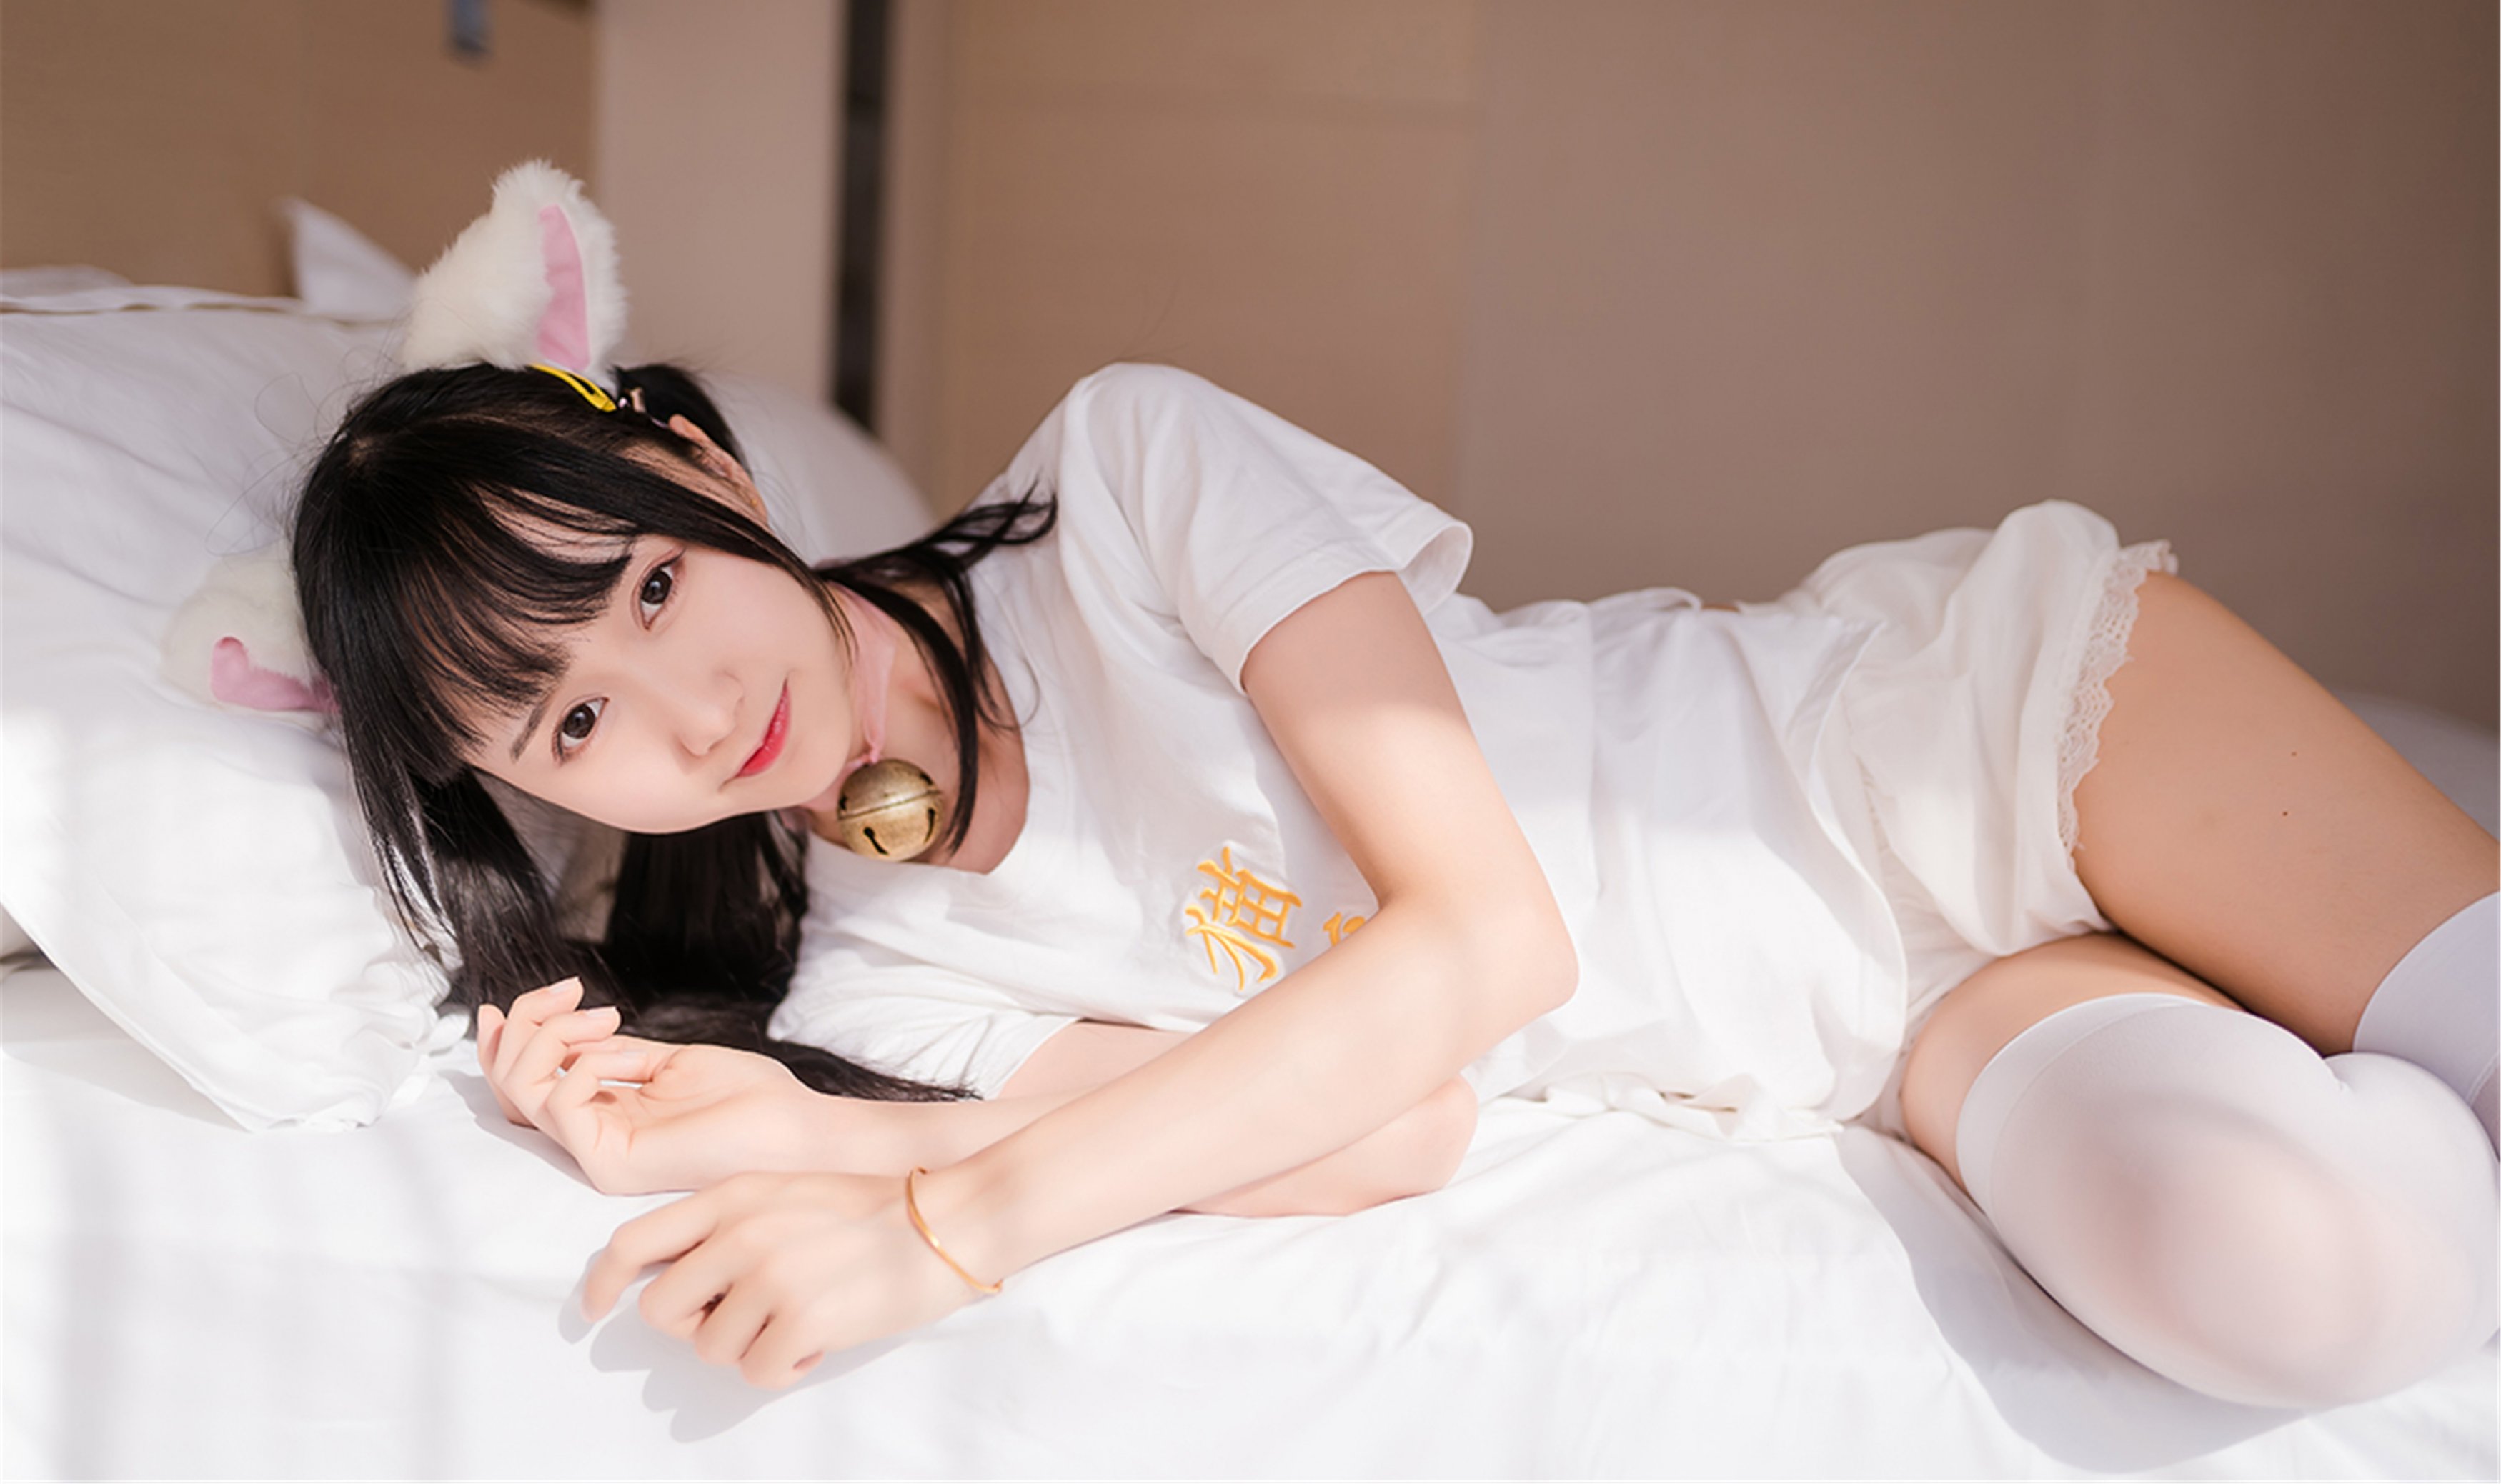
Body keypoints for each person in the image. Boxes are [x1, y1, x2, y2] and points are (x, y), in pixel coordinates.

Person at [293, 166, 2496, 1405]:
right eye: (566, 723)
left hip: (1965, 750)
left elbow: (1487, 943)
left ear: (704, 470)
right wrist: (822, 1129)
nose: (680, 713)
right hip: (1894, 1034)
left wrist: (949, 1232)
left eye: (649, 588)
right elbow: (1392, 1130)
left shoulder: (1122, 476)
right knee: (2304, 1288)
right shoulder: (876, 978)